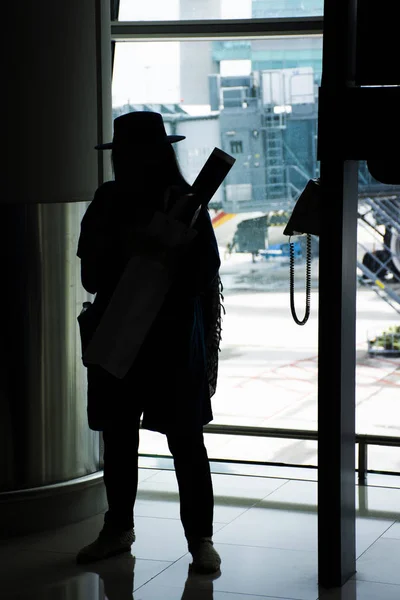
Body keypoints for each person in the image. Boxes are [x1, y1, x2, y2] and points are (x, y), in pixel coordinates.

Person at [75, 111, 223, 574]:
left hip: (159, 340)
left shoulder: (177, 204)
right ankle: (183, 539)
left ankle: (184, 537)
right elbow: (94, 275)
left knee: (173, 443)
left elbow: (201, 274)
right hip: (156, 339)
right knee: (148, 442)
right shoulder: (171, 201)